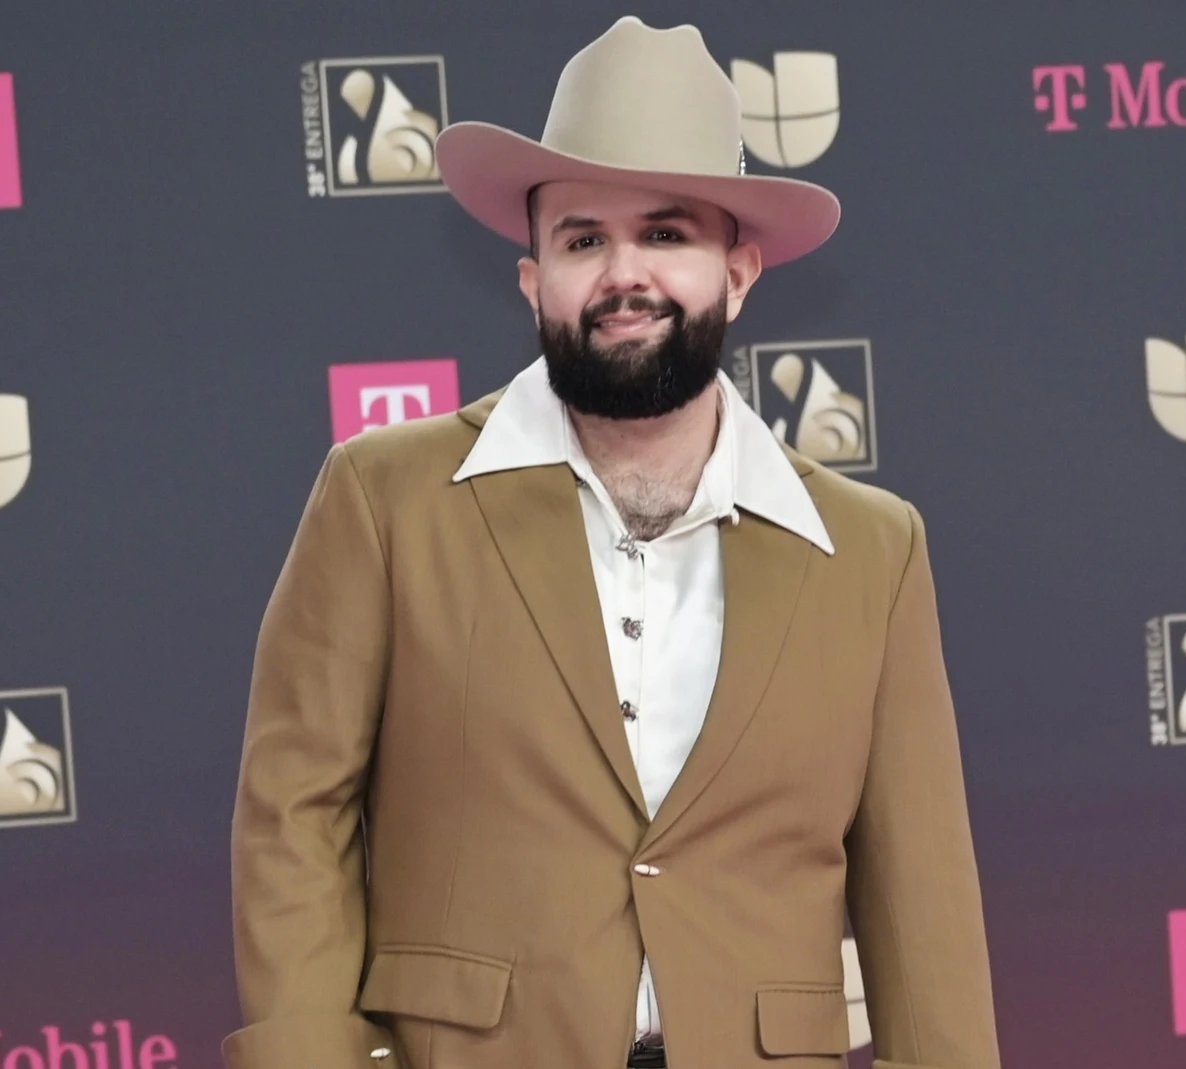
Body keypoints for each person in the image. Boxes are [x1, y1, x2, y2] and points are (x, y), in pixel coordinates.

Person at [223, 16, 1000, 1069]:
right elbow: (292, 818)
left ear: (739, 273)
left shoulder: (871, 550)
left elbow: (923, 893)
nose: (622, 274)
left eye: (666, 235)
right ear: (532, 278)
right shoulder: (384, 497)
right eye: (583, 239)